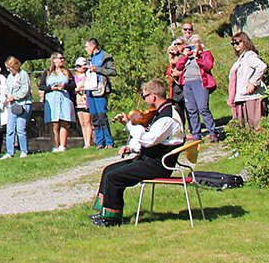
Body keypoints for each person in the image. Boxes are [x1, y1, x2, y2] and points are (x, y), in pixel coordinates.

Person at [90, 79, 186, 226]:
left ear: (153, 96)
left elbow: (149, 140)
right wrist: (132, 148)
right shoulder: (160, 113)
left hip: (159, 165)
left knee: (113, 177)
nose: (144, 100)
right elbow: (152, 139)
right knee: (108, 170)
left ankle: (111, 219)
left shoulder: (168, 117)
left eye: (144, 96)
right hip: (149, 159)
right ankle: (104, 212)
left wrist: (129, 125)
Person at [175, 34, 218, 142]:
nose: (192, 46)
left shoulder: (205, 54)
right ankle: (196, 134)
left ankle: (212, 132)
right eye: (191, 44)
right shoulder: (186, 56)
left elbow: (208, 66)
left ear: (200, 45)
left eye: (195, 44)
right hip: (187, 83)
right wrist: (185, 56)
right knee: (191, 109)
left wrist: (197, 57)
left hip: (200, 82)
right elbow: (179, 67)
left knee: (203, 108)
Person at [228, 32, 268, 131]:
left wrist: (253, 82)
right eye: (233, 43)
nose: (235, 45)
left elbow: (262, 66)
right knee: (246, 127)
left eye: (238, 42)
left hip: (253, 97)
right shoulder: (241, 59)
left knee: (257, 126)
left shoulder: (250, 56)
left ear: (245, 42)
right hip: (243, 97)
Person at [84, 39, 117, 148]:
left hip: (100, 89)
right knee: (94, 117)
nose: (85, 49)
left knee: (102, 115)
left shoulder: (105, 56)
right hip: (90, 90)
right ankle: (99, 142)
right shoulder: (89, 58)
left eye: (87, 47)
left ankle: (109, 141)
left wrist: (98, 69)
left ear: (93, 46)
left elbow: (113, 71)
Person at [42, 52, 76, 152]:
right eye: (60, 58)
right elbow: (42, 86)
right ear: (54, 60)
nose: (62, 60)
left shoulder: (66, 72)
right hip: (51, 99)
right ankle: (55, 146)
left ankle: (63, 145)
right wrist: (51, 88)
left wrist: (65, 86)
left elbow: (73, 85)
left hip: (64, 98)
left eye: (63, 58)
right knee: (54, 123)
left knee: (64, 122)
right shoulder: (47, 72)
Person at [2, 57, 32, 159]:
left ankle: (24, 151)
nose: (8, 70)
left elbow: (25, 90)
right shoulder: (10, 77)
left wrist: (15, 96)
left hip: (23, 104)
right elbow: (7, 88)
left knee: (20, 129)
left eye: (9, 67)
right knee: (10, 129)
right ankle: (10, 152)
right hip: (12, 106)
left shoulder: (23, 74)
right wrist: (7, 96)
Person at [165, 38, 189, 134]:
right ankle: (182, 130)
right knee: (178, 109)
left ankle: (193, 128)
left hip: (185, 85)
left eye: (178, 44)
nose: (176, 46)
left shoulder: (185, 56)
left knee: (189, 108)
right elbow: (168, 72)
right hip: (175, 88)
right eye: (175, 44)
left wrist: (179, 73)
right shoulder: (172, 59)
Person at [73, 58, 95, 149]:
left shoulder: (88, 76)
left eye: (80, 66)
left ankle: (89, 142)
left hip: (86, 100)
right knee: (82, 123)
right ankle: (85, 141)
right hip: (78, 101)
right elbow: (72, 89)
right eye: (77, 66)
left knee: (87, 122)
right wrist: (76, 90)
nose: (79, 68)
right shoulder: (74, 77)